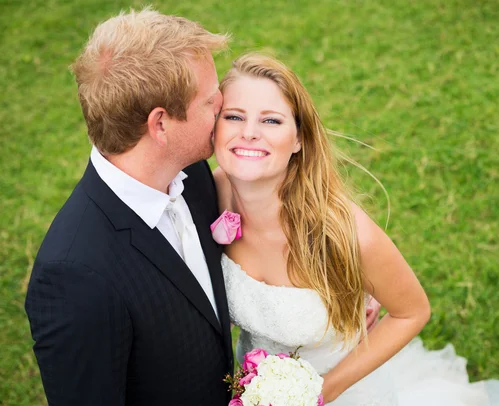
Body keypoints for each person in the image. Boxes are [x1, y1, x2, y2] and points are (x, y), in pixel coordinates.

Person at [24, 8, 380, 405]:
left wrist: (350, 276)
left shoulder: (194, 174)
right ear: (160, 125)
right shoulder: (75, 276)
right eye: (212, 101)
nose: (223, 106)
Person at [213, 53, 499, 405]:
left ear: (299, 139)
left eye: (271, 121)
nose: (249, 133)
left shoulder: (345, 231)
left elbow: (412, 312)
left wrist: (320, 392)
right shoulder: (208, 194)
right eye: (234, 116)